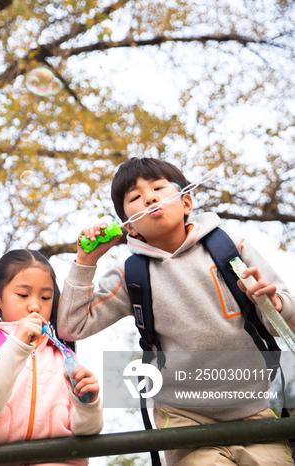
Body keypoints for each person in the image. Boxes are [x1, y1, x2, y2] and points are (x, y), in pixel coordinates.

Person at [59, 157, 294, 465]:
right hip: (185, 419)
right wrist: (86, 262)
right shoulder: (130, 275)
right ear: (129, 225)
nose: (150, 197)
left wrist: (276, 305)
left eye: (158, 187)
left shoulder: (231, 248)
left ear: (186, 202)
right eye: (135, 197)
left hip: (255, 411)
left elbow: (282, 321)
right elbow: (71, 326)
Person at [0, 249, 103, 465]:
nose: (35, 306)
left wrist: (89, 403)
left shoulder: (65, 357)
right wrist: (18, 345)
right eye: (23, 295)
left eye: (45, 297)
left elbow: (87, 431)